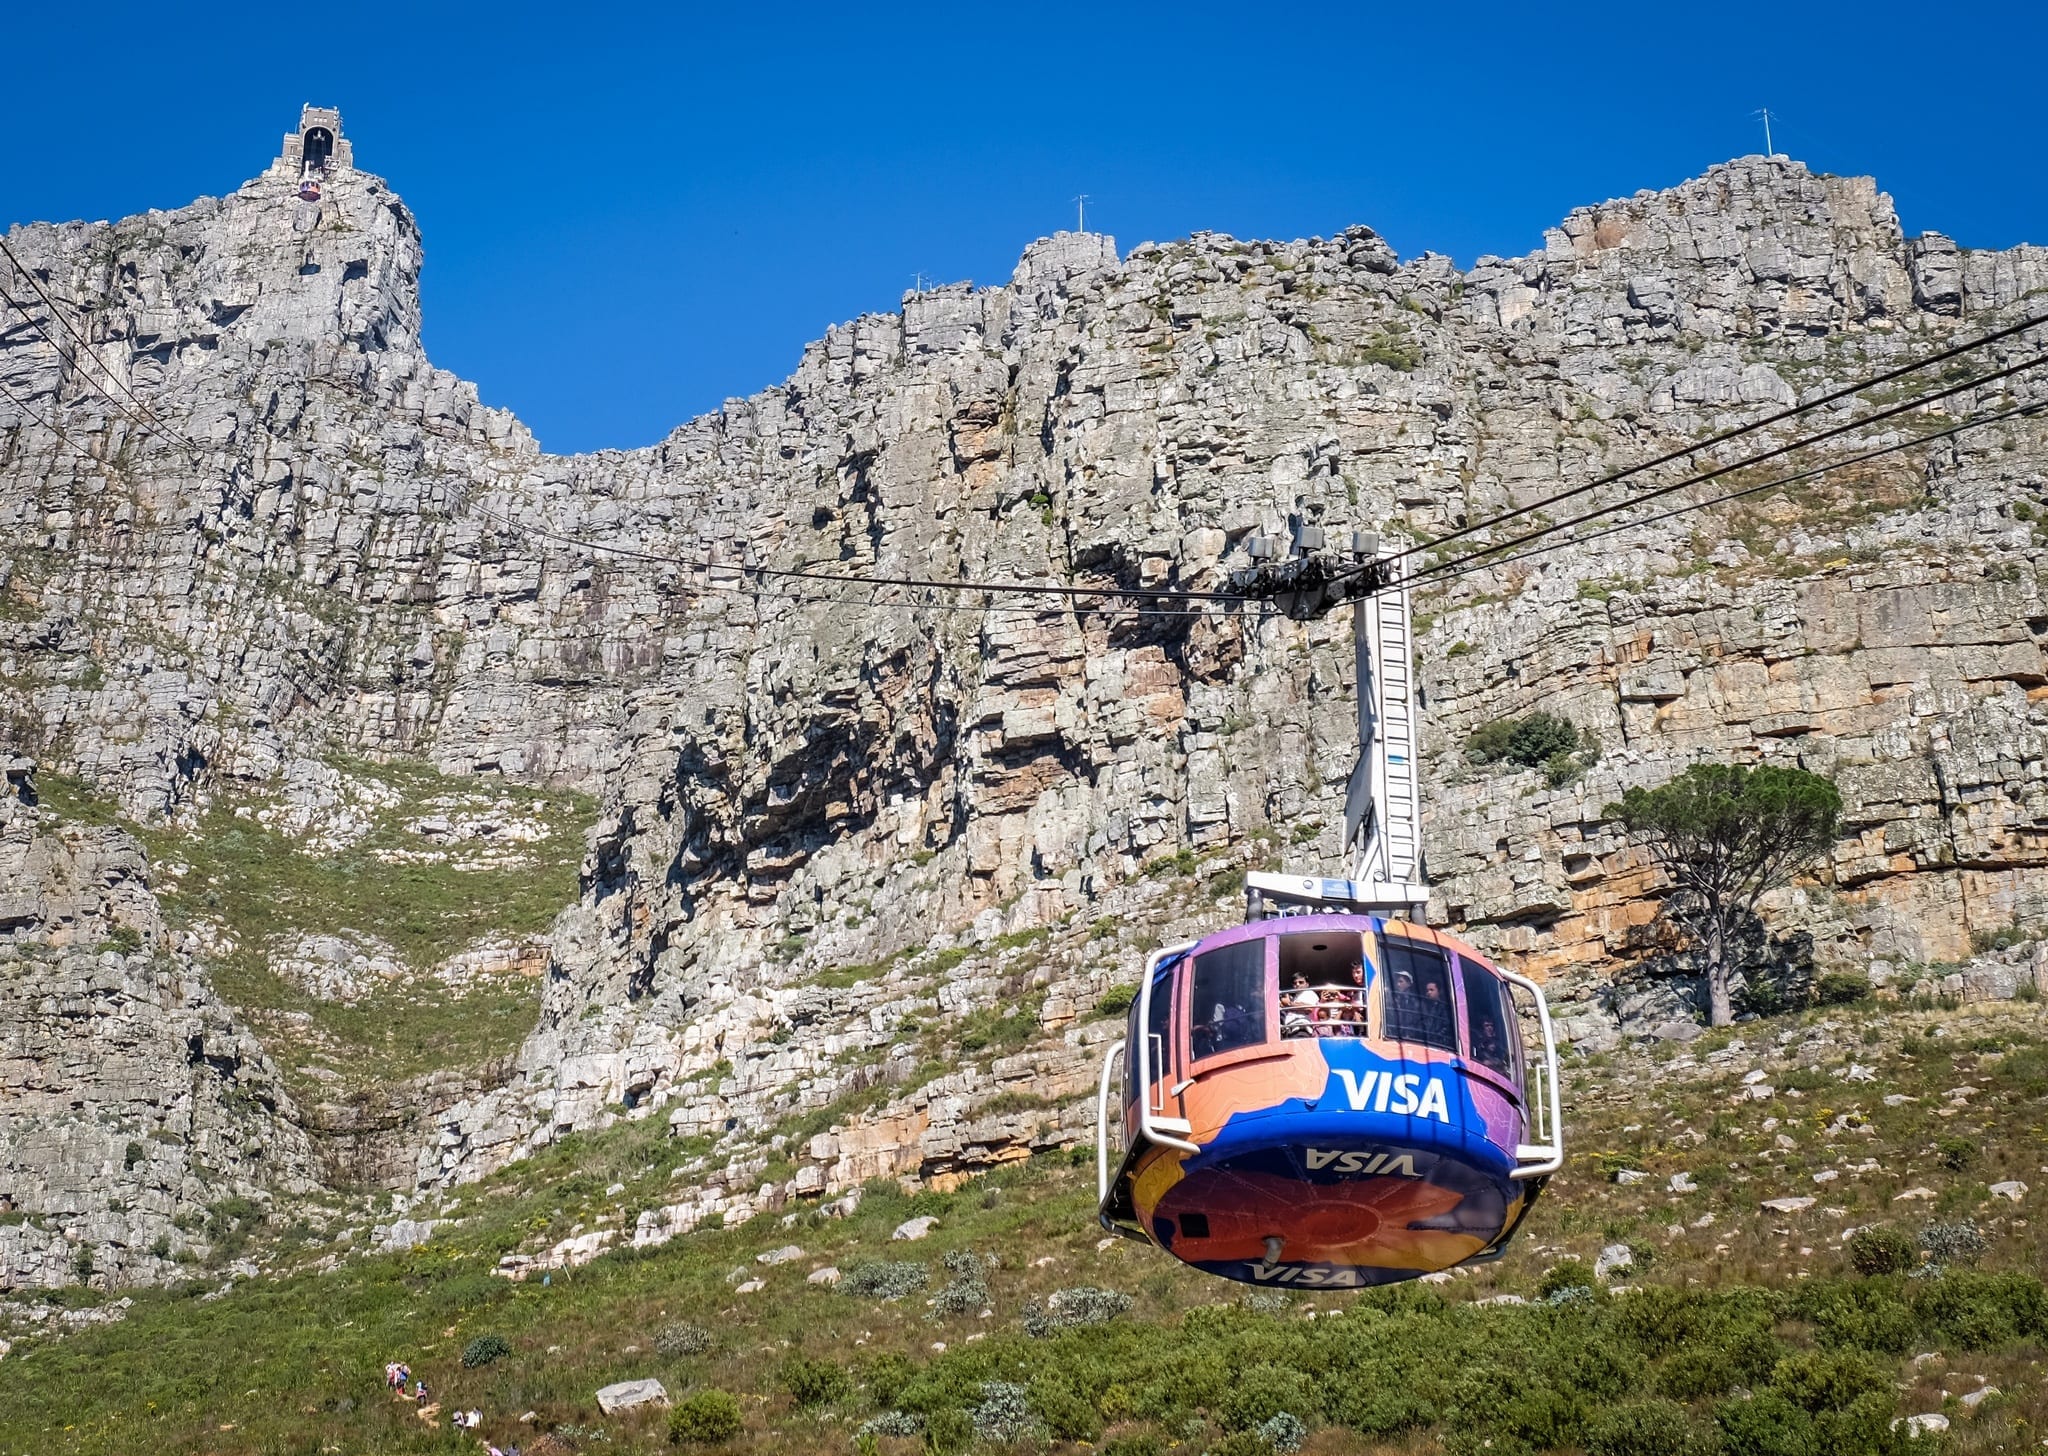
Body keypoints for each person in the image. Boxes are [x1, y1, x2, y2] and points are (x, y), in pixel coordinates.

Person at [1281, 973, 1319, 1038]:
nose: (1297, 984)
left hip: (1301, 1028)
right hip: (1291, 1029)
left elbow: (1308, 1008)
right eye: (1294, 983)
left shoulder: (1309, 993)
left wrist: (1289, 1003)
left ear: (1307, 984)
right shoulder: (1295, 997)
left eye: (1301, 982)